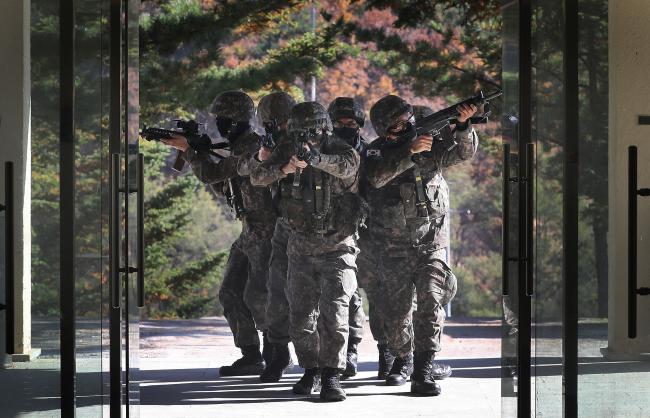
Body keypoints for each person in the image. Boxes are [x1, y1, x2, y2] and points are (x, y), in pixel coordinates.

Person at [364, 95, 478, 396]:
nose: (406, 125)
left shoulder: (429, 142)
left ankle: (423, 371)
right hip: (394, 247)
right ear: (385, 129)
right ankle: (404, 359)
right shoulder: (376, 151)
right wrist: (408, 153)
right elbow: (375, 178)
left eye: (407, 119)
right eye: (398, 124)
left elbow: (462, 154)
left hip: (430, 243)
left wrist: (463, 126)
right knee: (396, 315)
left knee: (430, 302)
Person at [251, 101, 363, 402]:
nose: (307, 138)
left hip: (338, 245)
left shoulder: (342, 148)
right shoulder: (287, 148)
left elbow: (347, 167)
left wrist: (315, 158)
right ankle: (310, 370)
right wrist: (285, 167)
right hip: (300, 246)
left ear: (324, 128)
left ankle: (332, 376)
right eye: (302, 132)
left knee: (335, 314)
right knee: (301, 316)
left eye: (313, 131)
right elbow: (257, 177)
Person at [161, 90, 276, 377]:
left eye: (224, 120)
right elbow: (222, 187)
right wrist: (194, 152)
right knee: (230, 292)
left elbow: (212, 174)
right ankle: (251, 354)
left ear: (238, 121)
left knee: (260, 296)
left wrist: (190, 151)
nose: (220, 126)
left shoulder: (252, 147)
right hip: (249, 230)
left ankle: (276, 351)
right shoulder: (234, 147)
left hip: (266, 231)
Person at [239, 91, 296, 383]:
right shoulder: (270, 144)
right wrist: (263, 158)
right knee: (268, 294)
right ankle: (277, 351)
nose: (278, 127)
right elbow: (249, 172)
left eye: (282, 122)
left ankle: (329, 360)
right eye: (273, 122)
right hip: (275, 230)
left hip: (300, 228)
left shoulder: (304, 143)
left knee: (305, 296)